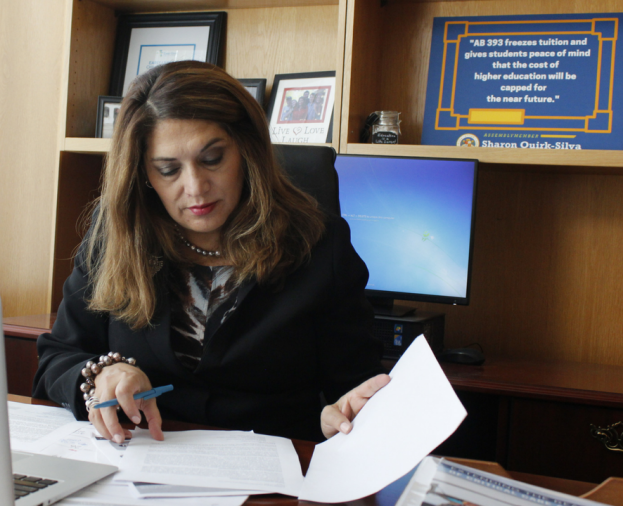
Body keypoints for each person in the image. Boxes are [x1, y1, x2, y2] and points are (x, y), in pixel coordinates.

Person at [32, 60, 388, 444]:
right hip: (143, 461)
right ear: (144, 175)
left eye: (212, 159)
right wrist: (102, 374)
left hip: (272, 469)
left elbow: (358, 390)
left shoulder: (318, 243)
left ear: (246, 151)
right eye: (168, 169)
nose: (196, 188)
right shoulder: (117, 233)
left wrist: (343, 414)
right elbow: (57, 358)